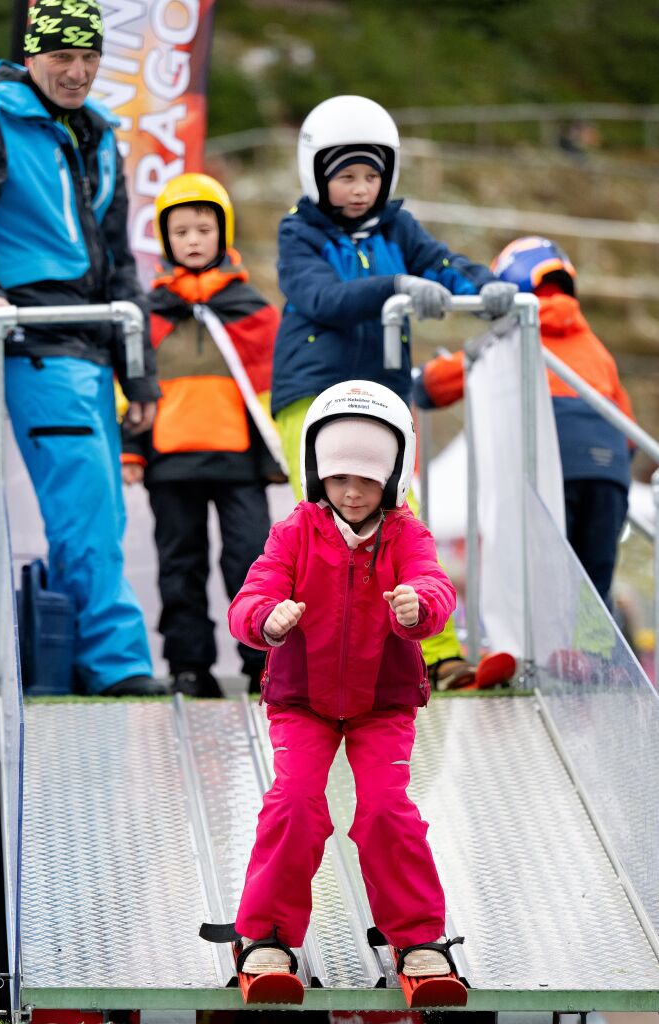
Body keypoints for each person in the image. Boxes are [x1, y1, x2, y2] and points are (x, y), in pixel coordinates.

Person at [0, 0, 164, 696]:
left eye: (89, 58)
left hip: (94, 342)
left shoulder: (98, 134)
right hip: (33, 339)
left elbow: (120, 266)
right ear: (30, 55)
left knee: (105, 516)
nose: (78, 72)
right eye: (62, 58)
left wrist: (139, 375)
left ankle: (76, 663)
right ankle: (119, 670)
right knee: (85, 508)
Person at [270, 94, 518, 690]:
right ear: (318, 176)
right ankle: (326, 660)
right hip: (315, 394)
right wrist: (396, 286)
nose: (359, 189)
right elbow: (321, 298)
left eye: (371, 175)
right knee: (328, 530)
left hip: (381, 398)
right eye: (346, 175)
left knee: (402, 523)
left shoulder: (397, 228)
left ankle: (435, 652)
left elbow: (442, 264)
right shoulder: (298, 233)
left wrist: (488, 289)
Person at [227, 379, 458, 977]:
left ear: (394, 476)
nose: (352, 493)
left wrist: (420, 606)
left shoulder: (407, 533)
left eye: (367, 479)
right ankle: (267, 936)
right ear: (315, 472)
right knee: (297, 804)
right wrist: (266, 620)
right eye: (338, 478)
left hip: (382, 704)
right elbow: (250, 597)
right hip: (302, 701)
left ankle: (417, 940)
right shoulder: (296, 531)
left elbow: (435, 582)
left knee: (385, 809)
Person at [121, 173, 284, 698]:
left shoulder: (254, 310)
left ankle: (264, 666)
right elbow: (128, 391)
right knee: (179, 568)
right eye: (182, 231)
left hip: (239, 462)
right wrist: (130, 449)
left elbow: (275, 388)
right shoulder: (146, 315)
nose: (193, 240)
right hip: (169, 464)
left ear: (223, 233)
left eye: (204, 229)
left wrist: (282, 453)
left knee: (252, 564)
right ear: (166, 240)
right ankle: (190, 668)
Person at [413, 236, 635, 610]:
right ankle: (598, 663)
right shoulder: (597, 349)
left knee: (541, 578)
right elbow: (626, 424)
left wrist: (421, 377)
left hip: (551, 451)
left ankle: (542, 663)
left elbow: (435, 386)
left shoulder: (515, 332)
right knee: (595, 586)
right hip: (609, 464)